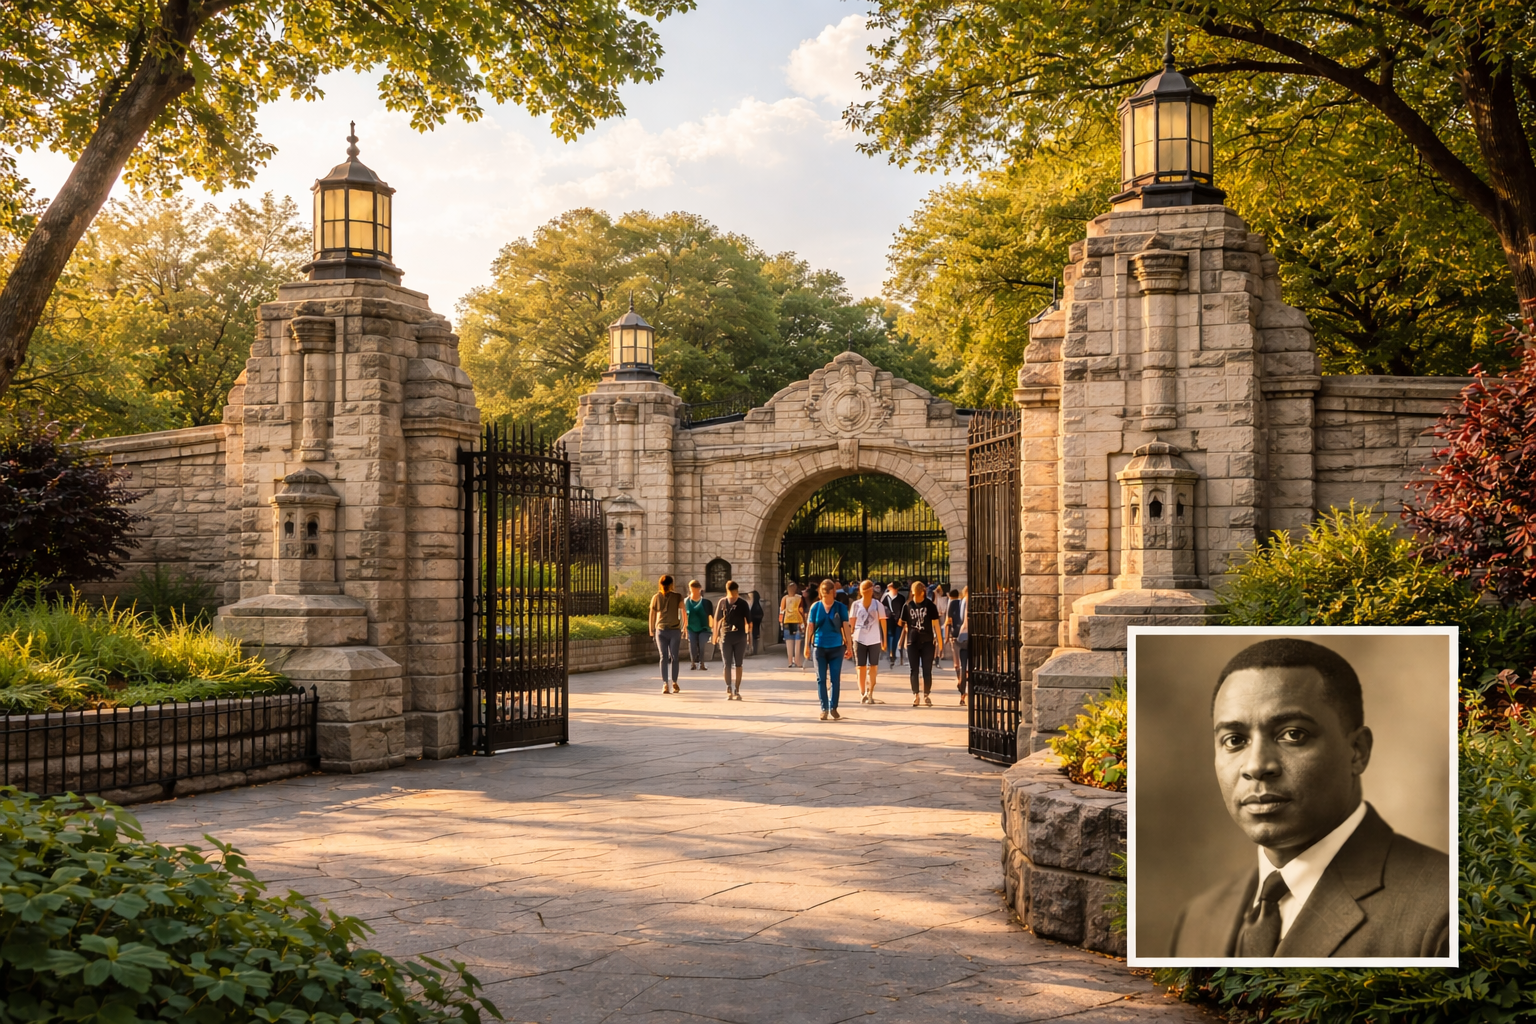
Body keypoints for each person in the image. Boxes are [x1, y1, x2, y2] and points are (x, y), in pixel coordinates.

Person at [1166, 638, 1450, 958]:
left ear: (1357, 751)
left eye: (1293, 734)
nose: (1257, 766)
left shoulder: (1444, 910)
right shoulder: (1198, 918)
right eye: (1234, 740)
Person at [804, 578, 852, 721]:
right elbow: (810, 627)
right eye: (823, 596)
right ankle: (824, 708)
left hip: (836, 647)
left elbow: (846, 627)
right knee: (820, 679)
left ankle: (833, 707)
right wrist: (807, 645)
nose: (826, 599)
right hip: (819, 647)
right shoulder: (815, 607)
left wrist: (849, 646)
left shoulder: (840, 608)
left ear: (834, 593)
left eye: (828, 595)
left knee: (835, 679)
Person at [897, 580, 942, 706]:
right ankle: (916, 695)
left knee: (927, 670)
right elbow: (902, 623)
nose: (916, 595)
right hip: (912, 641)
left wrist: (940, 642)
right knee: (914, 670)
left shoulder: (930, 606)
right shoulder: (907, 606)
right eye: (914, 593)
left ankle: (926, 694)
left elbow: (936, 625)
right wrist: (904, 637)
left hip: (927, 641)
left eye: (917, 593)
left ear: (923, 592)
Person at [850, 578, 888, 704]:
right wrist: (849, 640)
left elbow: (883, 622)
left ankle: (870, 692)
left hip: (874, 639)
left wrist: (884, 640)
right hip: (859, 638)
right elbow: (852, 623)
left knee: (873, 667)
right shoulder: (856, 605)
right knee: (860, 667)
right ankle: (862, 693)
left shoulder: (878, 605)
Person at [713, 581, 752, 700]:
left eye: (735, 593)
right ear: (727, 591)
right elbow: (716, 620)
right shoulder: (722, 602)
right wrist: (714, 636)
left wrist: (749, 635)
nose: (733, 595)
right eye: (731, 593)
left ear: (737, 591)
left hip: (740, 637)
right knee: (727, 664)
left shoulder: (743, 603)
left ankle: (737, 689)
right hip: (725, 637)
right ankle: (728, 687)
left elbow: (749, 621)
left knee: (739, 664)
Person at [648, 575, 685, 694]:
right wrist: (684, 626)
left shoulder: (675, 596)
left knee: (664, 657)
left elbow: (652, 615)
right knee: (673, 657)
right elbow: (684, 612)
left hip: (663, 630)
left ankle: (668, 683)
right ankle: (670, 682)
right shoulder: (658, 597)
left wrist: (651, 629)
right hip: (671, 630)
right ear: (671, 584)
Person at [946, 586, 969, 703]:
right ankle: (963, 685)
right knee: (966, 665)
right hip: (971, 636)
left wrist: (947, 636)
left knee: (959, 664)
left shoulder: (956, 603)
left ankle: (962, 688)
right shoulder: (974, 601)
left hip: (959, 635)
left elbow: (949, 621)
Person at [684, 580, 713, 672]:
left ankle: (702, 663)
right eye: (692, 590)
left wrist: (712, 628)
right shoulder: (686, 602)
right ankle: (693, 663)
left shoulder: (706, 602)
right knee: (692, 644)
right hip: (691, 627)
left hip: (704, 628)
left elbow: (710, 616)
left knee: (702, 644)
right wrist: (683, 629)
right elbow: (683, 616)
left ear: (700, 589)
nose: (694, 592)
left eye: (696, 589)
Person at [780, 582, 806, 670]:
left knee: (789, 642)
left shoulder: (784, 598)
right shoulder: (799, 598)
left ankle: (790, 661)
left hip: (787, 621)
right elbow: (801, 610)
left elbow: (782, 610)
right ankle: (798, 661)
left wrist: (780, 621)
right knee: (798, 642)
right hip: (798, 621)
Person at [883, 582, 907, 667]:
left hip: (898, 620)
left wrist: (903, 620)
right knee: (890, 637)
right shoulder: (885, 597)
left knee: (897, 638)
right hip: (889, 620)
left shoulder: (901, 598)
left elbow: (904, 609)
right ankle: (890, 654)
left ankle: (895, 654)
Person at [748, 591, 764, 655]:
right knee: (755, 635)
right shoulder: (754, 603)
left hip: (754, 622)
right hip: (754, 622)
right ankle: (753, 650)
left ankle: (754, 650)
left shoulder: (756, 604)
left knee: (754, 635)